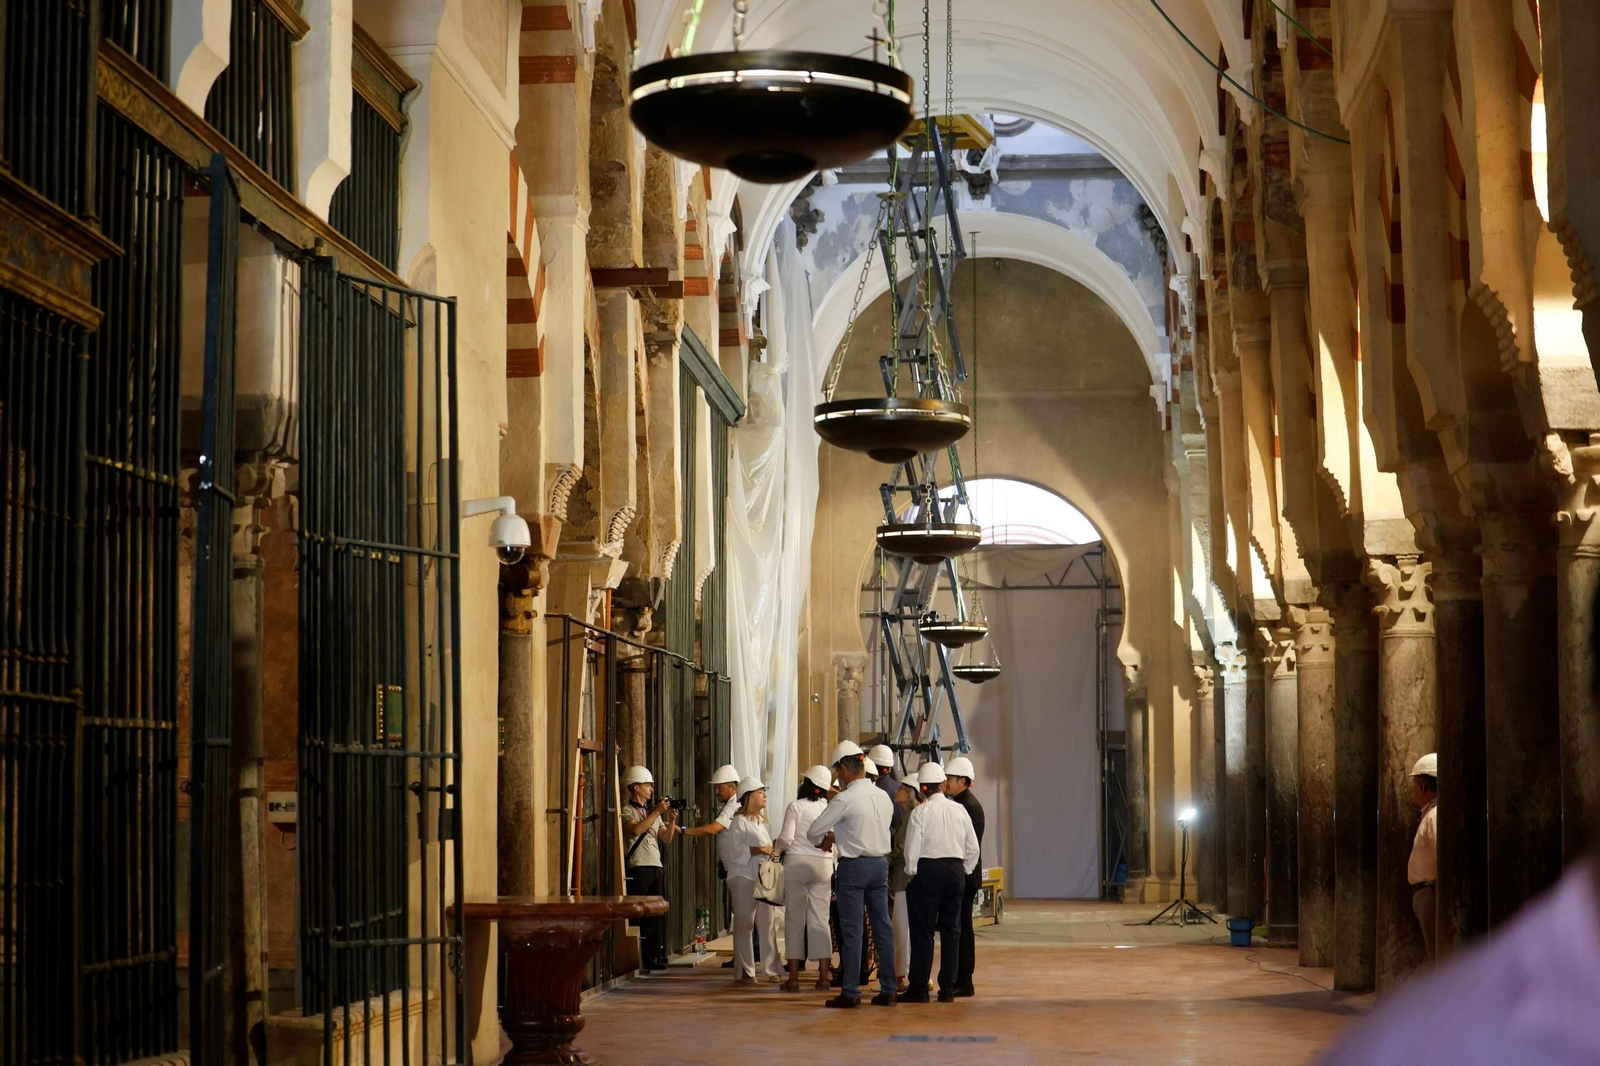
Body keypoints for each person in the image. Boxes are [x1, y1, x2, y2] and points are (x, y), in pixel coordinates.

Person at [808, 740, 898, 1008]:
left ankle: (850, 992)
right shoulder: (882, 796)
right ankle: (889, 988)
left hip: (854, 867)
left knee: (852, 930)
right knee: (882, 927)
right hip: (880, 865)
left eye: (837, 772)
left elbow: (813, 831)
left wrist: (832, 837)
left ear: (845, 770)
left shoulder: (845, 798)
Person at [900, 762, 981, 1003]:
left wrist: (911, 871)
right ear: (943, 785)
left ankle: (919, 988)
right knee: (951, 930)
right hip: (955, 871)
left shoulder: (920, 812)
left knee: (923, 931)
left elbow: (911, 847)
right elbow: (973, 848)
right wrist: (963, 869)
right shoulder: (960, 810)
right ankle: (947, 988)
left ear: (923, 789)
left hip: (927, 871)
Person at [774, 764, 836, 991]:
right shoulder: (829, 808)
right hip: (822, 864)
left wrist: (776, 848)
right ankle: (823, 977)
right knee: (821, 919)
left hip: (797, 864)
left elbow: (786, 838)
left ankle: (793, 978)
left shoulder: (795, 807)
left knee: (794, 919)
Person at [725, 777, 783, 984]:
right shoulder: (738, 822)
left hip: (761, 878)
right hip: (743, 877)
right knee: (745, 923)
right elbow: (735, 852)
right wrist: (759, 849)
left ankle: (771, 968)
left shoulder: (758, 822)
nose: (764, 795)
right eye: (760, 792)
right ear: (749, 797)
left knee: (767, 923)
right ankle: (745, 971)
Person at [621, 765, 678, 971]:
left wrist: (671, 821)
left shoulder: (653, 813)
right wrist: (656, 812)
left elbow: (666, 838)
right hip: (639, 867)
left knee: (656, 913)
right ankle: (642, 958)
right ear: (636, 787)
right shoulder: (627, 810)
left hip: (656, 865)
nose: (651, 790)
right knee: (641, 914)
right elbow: (636, 830)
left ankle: (655, 953)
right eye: (647, 785)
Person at [944, 755, 983, 998]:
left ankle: (964, 981)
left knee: (962, 929)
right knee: (961, 928)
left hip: (965, 874)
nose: (946, 782)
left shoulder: (966, 806)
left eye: (950, 778)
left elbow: (967, 845)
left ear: (963, 780)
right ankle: (961, 979)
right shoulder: (965, 803)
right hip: (967, 873)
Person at [889, 776, 922, 993]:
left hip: (904, 880)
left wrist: (882, 856)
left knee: (902, 930)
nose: (897, 790)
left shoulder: (912, 817)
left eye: (902, 788)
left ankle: (902, 977)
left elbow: (902, 851)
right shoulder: (909, 815)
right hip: (907, 880)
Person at [1408, 753, 1438, 963]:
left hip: (1430, 893)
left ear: (1422, 787)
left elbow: (1440, 855)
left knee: (1436, 954)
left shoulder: (1434, 817)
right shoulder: (1430, 815)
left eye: (1413, 784)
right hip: (1427, 892)